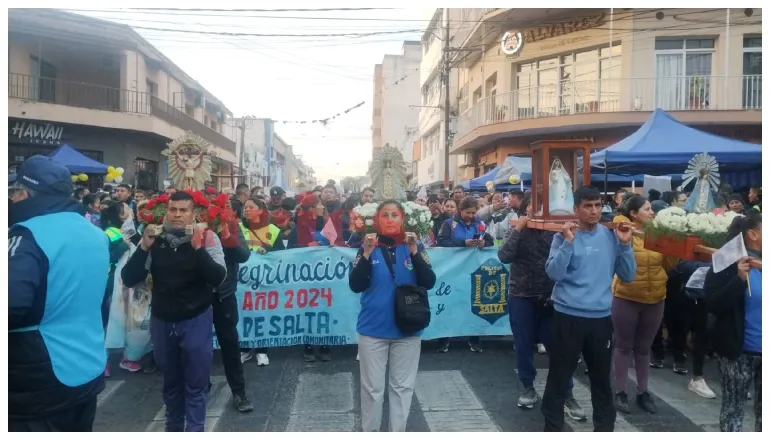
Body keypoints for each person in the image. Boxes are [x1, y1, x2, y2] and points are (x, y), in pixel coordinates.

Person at [9, 155, 109, 432]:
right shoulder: (95, 233)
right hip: (87, 366)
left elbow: (11, 305)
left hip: (37, 378)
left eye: (13, 192)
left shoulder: (26, 235)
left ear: (24, 194)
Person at [121, 191, 227, 432]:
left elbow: (218, 277)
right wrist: (144, 248)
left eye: (183, 210)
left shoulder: (207, 237)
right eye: (173, 209)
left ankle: (195, 430)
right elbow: (128, 278)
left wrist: (198, 249)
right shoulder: (155, 238)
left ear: (193, 213)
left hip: (195, 319)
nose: (177, 215)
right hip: (163, 321)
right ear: (166, 212)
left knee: (196, 383)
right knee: (171, 383)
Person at [541, 186, 636, 432]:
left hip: (600, 319)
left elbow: (628, 276)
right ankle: (552, 430)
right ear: (576, 209)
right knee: (559, 379)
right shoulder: (563, 236)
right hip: (567, 317)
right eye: (588, 206)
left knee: (601, 380)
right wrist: (568, 243)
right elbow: (553, 273)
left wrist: (626, 246)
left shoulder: (611, 235)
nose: (594, 211)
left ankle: (604, 430)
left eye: (597, 205)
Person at [348, 200, 436, 432]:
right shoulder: (368, 245)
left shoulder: (414, 245)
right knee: (372, 390)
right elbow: (355, 285)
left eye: (394, 215)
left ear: (402, 219)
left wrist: (415, 251)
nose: (389, 220)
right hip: (373, 330)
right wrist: (367, 254)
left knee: (402, 388)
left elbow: (429, 281)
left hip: (408, 329)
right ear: (377, 219)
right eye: (384, 215)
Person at [498, 194, 585, 420]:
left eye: (542, 207)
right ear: (525, 209)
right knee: (523, 344)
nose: (536, 210)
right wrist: (519, 229)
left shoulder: (555, 230)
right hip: (521, 295)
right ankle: (528, 386)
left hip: (550, 297)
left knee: (559, 348)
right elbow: (504, 256)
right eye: (532, 206)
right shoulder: (517, 227)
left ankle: (566, 393)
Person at [610, 196, 676, 414]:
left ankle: (643, 392)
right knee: (623, 345)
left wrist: (673, 247)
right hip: (626, 296)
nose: (652, 212)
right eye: (647, 209)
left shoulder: (658, 233)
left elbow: (668, 264)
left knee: (643, 348)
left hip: (655, 298)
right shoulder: (623, 230)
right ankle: (621, 392)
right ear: (633, 214)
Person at [704, 212, 762, 432]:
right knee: (733, 412)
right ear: (753, 234)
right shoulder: (727, 260)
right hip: (738, 352)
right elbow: (713, 303)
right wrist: (738, 280)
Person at [211, 206, 254, 412]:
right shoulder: (190, 226)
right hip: (195, 296)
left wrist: (228, 237)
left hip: (223, 295)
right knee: (195, 346)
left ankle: (239, 392)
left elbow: (243, 255)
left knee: (230, 345)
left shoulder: (230, 224)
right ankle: (199, 385)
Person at [436, 196, 493, 353]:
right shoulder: (449, 224)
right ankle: (444, 339)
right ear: (460, 210)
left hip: (474, 270)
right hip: (452, 270)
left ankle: (474, 339)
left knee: (473, 303)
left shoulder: (480, 224)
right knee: (450, 303)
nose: (470, 215)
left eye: (473, 212)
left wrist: (484, 243)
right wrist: (463, 243)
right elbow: (441, 242)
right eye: (468, 212)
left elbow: (490, 240)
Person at [100, 201, 133, 376]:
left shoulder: (127, 231)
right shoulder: (110, 233)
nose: (131, 210)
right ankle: (103, 360)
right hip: (111, 283)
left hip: (122, 283)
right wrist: (123, 246)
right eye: (128, 209)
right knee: (108, 320)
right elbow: (107, 257)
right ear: (121, 216)